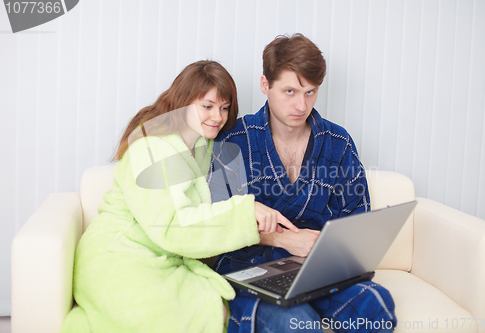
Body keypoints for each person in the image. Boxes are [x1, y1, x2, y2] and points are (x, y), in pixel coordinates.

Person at [60, 60, 298, 333]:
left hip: (167, 259)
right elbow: (171, 225)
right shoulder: (150, 149)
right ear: (184, 102)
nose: (218, 117)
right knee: (195, 313)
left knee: (215, 307)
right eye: (207, 106)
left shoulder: (207, 148)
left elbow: (220, 204)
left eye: (224, 107)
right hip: (119, 256)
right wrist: (246, 211)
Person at [210, 34, 396, 333]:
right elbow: (213, 223)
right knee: (298, 324)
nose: (301, 104)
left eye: (310, 92)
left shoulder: (338, 143)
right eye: (289, 91)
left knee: (375, 304)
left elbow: (356, 218)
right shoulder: (233, 141)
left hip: (319, 268)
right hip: (250, 267)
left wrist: (330, 250)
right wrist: (278, 239)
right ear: (264, 85)